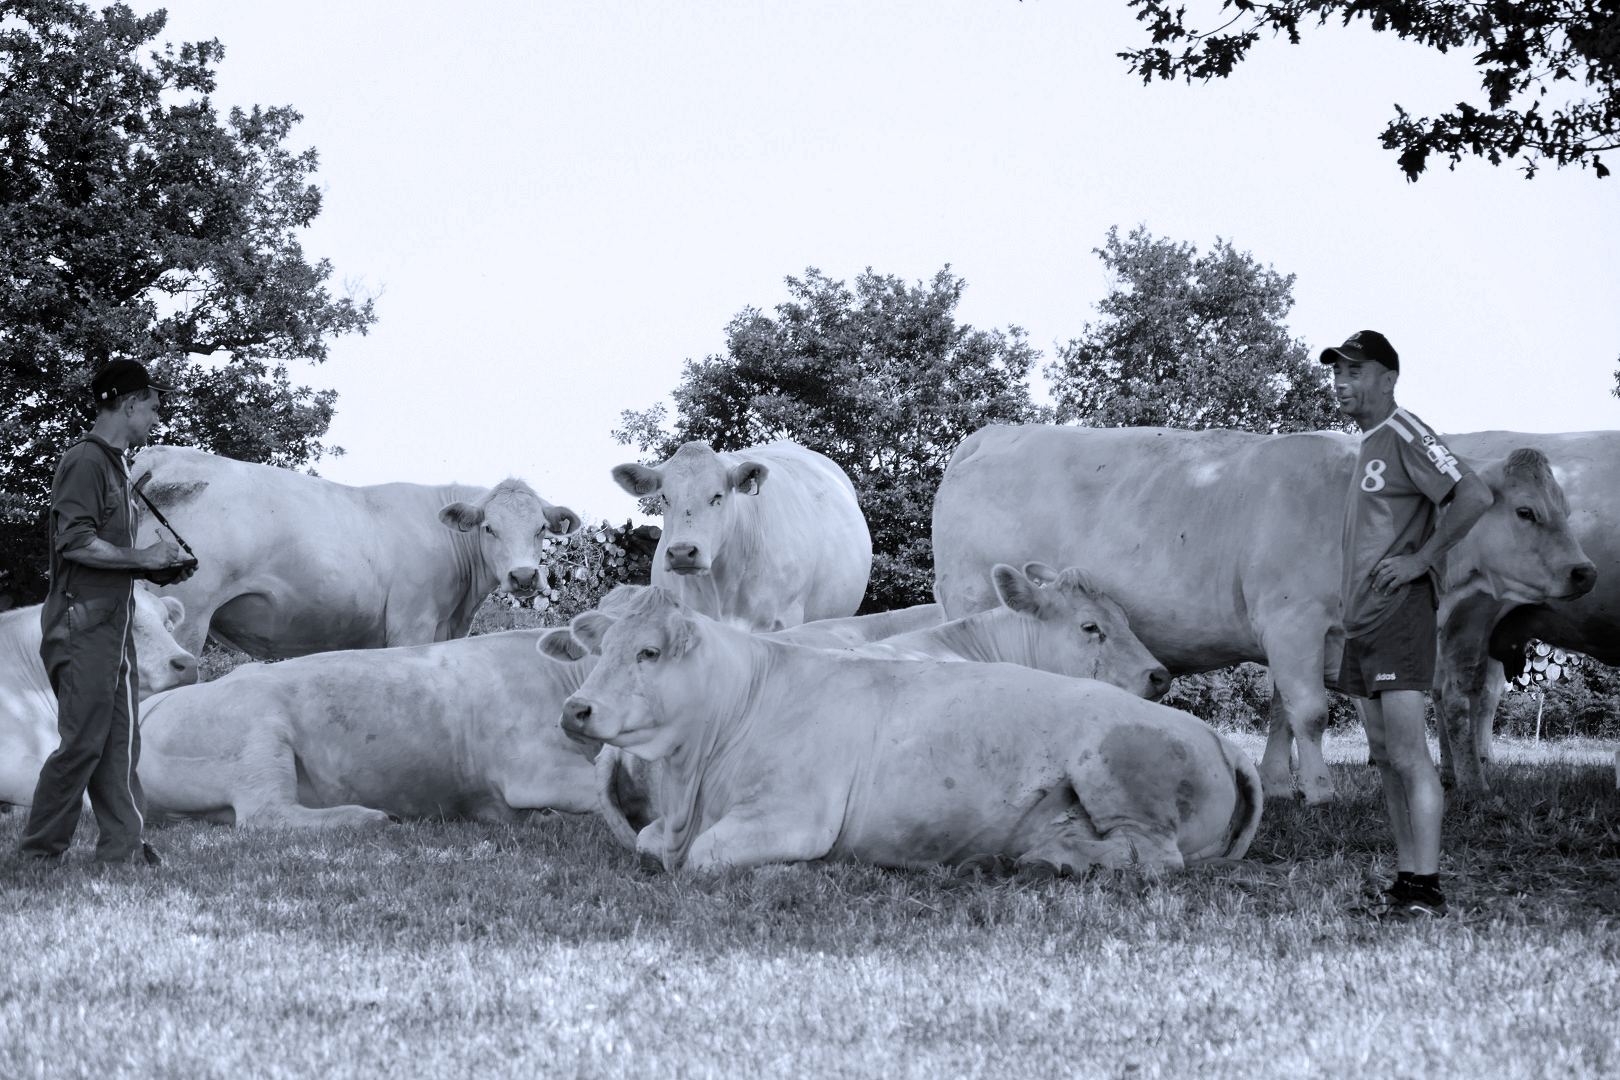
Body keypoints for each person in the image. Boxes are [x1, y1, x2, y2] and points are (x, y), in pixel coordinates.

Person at [1323, 331, 1492, 920]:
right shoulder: (1367, 443)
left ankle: (1428, 888)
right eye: (1337, 373)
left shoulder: (1404, 432)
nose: (1342, 382)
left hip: (1399, 614)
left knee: (1408, 752)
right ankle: (1406, 880)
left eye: (1355, 371)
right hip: (1362, 620)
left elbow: (1474, 493)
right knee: (1384, 755)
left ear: (1388, 378)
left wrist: (1423, 559)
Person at [19, 359, 194, 865]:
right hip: (82, 627)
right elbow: (73, 542)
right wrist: (143, 558)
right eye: (154, 408)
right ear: (130, 402)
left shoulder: (116, 464)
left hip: (113, 628)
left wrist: (157, 572)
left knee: (120, 745)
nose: (157, 418)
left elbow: (107, 554)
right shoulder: (85, 462)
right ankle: (39, 853)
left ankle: (123, 851)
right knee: (83, 745)